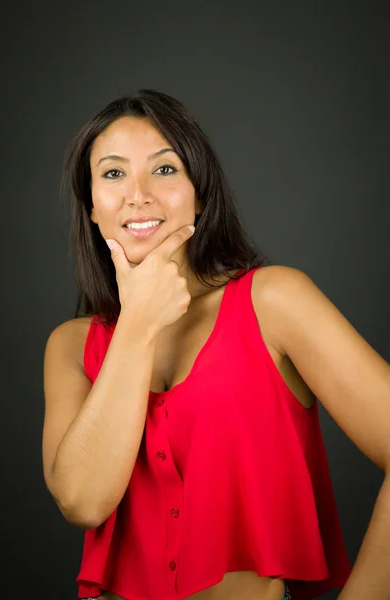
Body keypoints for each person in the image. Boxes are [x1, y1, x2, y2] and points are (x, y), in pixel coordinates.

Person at [42, 89, 354, 600]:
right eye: (113, 174)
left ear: (199, 194)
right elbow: (82, 501)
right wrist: (139, 324)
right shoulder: (70, 347)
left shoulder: (274, 301)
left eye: (164, 170)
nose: (138, 194)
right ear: (92, 207)